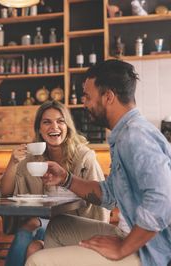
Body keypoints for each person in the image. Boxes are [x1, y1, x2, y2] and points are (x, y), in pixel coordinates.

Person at [26, 59, 171, 266]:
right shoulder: (125, 133)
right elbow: (110, 195)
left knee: (36, 260)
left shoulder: (135, 136)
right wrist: (66, 179)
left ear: (108, 97)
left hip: (152, 251)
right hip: (131, 234)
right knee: (58, 227)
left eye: (88, 96)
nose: (84, 103)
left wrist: (123, 247)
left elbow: (163, 199)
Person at [0, 100, 110, 266]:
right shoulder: (33, 158)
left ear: (68, 127)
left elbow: (100, 202)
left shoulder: (84, 157)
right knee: (26, 231)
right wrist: (12, 162)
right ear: (39, 130)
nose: (54, 127)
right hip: (45, 222)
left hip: (77, 226)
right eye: (47, 122)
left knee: (34, 245)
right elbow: (5, 192)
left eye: (60, 121)